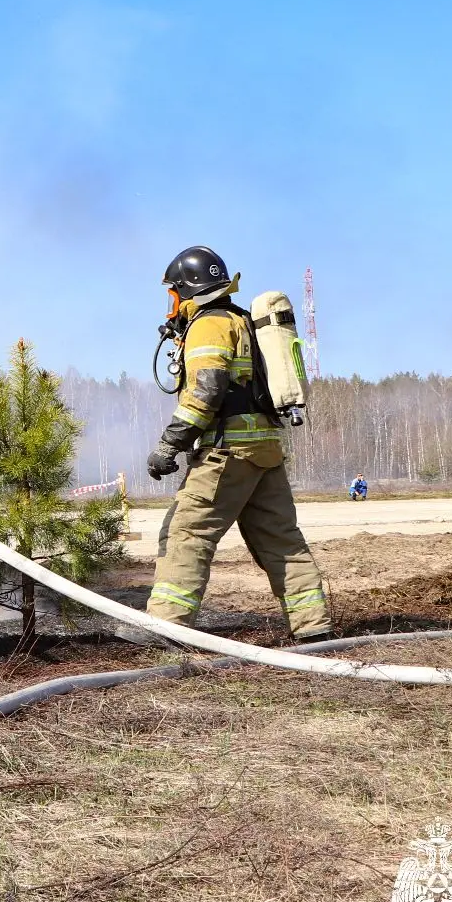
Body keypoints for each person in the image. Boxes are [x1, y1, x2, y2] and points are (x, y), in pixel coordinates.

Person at [143, 246, 332, 641]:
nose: (171, 303)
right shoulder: (242, 320)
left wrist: (168, 446)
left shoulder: (209, 325)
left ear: (188, 288)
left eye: (172, 293)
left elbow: (206, 393)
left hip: (226, 453)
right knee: (281, 541)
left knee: (185, 534)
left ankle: (167, 627)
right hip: (265, 450)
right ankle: (313, 628)